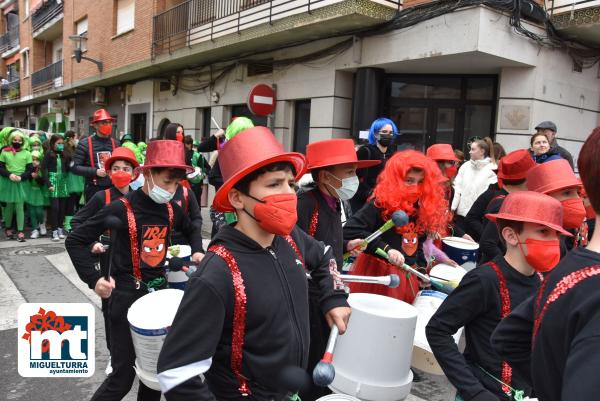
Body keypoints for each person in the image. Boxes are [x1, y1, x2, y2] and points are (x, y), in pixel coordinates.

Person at [156, 126, 351, 400]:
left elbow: (325, 255)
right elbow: (176, 373)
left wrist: (334, 297)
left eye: (290, 184)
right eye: (274, 184)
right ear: (237, 198)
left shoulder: (290, 238)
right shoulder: (218, 274)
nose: (289, 194)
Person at [66, 140, 204, 401]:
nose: (171, 190)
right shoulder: (120, 208)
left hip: (157, 300)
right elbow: (75, 240)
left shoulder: (170, 209)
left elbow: (192, 225)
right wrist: (93, 279)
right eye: (167, 182)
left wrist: (196, 249)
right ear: (147, 174)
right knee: (121, 377)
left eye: (176, 184)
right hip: (125, 297)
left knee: (153, 377)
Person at [427, 191, 570, 401]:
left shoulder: (543, 282)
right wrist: (474, 391)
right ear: (511, 236)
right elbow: (437, 330)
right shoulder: (485, 280)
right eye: (543, 232)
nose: (553, 242)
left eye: (556, 235)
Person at [491, 126, 600, 401]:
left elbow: (510, 337)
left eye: (575, 192)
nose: (574, 201)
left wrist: (552, 383)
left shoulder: (569, 265)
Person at [296, 138, 374, 400]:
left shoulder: (337, 203)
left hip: (328, 290)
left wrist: (345, 246)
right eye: (349, 172)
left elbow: (327, 246)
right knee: (313, 353)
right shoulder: (307, 204)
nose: (355, 178)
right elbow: (300, 249)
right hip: (309, 295)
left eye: (355, 171)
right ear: (325, 176)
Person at [343, 150, 450, 304]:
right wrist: (387, 249)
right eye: (409, 180)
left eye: (420, 182)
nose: (415, 187)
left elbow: (416, 244)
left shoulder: (421, 207)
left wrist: (420, 271)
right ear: (396, 180)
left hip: (407, 276)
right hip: (380, 276)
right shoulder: (379, 203)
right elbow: (351, 231)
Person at [71, 146, 139, 376]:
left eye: (126, 168)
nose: (121, 172)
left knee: (134, 308)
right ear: (109, 173)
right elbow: (77, 223)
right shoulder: (102, 197)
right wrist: (92, 244)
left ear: (135, 172)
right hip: (110, 260)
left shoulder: (139, 197)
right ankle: (114, 354)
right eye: (116, 168)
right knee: (111, 309)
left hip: (135, 262)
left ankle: (137, 353)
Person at [477, 150, 536, 264]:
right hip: (495, 273)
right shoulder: (504, 204)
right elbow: (487, 243)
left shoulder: (508, 200)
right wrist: (508, 264)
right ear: (527, 180)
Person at [526, 159, 586, 250]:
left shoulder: (576, 227)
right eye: (567, 193)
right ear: (545, 199)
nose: (578, 199)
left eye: (578, 192)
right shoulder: (536, 242)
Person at [350, 117, 399, 212]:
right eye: (384, 132)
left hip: (385, 202)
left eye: (391, 133)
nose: (388, 135)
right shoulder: (365, 151)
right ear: (376, 134)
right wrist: (369, 193)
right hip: (364, 202)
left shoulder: (393, 154)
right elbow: (354, 177)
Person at [72, 109, 118, 203]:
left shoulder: (116, 143)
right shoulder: (84, 144)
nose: (108, 125)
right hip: (93, 189)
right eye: (104, 122)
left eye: (109, 122)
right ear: (95, 125)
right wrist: (95, 171)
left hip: (113, 188)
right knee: (94, 217)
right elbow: (74, 167)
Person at [451, 138, 497, 232]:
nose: (469, 152)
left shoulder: (493, 168)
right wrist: (452, 208)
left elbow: (487, 195)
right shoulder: (465, 166)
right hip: (460, 216)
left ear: (482, 151)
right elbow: (457, 187)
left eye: (473, 149)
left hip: (477, 218)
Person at [0, 130, 33, 241]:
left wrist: (22, 177)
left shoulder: (27, 153)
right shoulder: (4, 152)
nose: (17, 142)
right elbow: (0, 168)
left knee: (20, 207)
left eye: (19, 140)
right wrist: (9, 175)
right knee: (8, 207)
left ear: (23, 141)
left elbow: (30, 169)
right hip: (8, 182)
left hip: (21, 183)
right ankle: (8, 228)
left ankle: (20, 231)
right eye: (15, 140)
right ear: (11, 140)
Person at [42, 135, 70, 242]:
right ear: (53, 143)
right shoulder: (49, 154)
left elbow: (67, 168)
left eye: (62, 143)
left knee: (62, 208)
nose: (60, 145)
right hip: (53, 181)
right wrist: (49, 184)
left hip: (62, 181)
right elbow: (43, 169)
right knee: (55, 208)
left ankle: (59, 229)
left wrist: (70, 161)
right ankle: (54, 231)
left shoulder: (64, 154)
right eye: (58, 143)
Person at [64, 130, 85, 233]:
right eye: (75, 137)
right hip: (70, 177)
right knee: (70, 201)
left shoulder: (74, 149)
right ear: (71, 138)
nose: (75, 139)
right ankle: (67, 224)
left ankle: (74, 222)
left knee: (77, 201)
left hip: (77, 177)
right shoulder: (65, 150)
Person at [25, 150, 48, 239]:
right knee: (32, 212)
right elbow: (26, 178)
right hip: (30, 191)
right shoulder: (28, 168)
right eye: (32, 159)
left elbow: (43, 181)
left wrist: (37, 177)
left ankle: (42, 224)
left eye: (36, 159)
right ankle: (34, 229)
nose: (34, 161)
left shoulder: (42, 169)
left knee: (39, 211)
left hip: (40, 192)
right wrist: (30, 175)